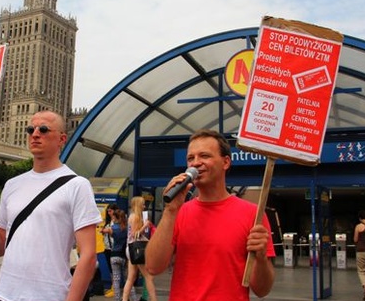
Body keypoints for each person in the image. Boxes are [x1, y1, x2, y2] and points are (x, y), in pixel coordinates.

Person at [0, 110, 102, 301]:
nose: (35, 134)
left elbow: (89, 256)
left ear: (62, 139)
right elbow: (0, 245)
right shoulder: (12, 185)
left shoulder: (77, 185)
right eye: (30, 129)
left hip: (50, 296)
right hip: (4, 295)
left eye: (43, 129)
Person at [145, 129, 275, 301]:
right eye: (191, 158)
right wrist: (170, 211)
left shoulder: (253, 214)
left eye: (204, 156)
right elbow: (153, 267)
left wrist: (261, 258)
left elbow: (262, 290)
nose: (196, 163)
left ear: (226, 162)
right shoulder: (178, 212)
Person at [122, 196, 157, 301]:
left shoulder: (131, 216)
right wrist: (145, 226)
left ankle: (124, 299)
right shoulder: (136, 217)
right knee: (148, 277)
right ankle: (154, 299)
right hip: (136, 249)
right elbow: (135, 234)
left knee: (131, 278)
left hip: (130, 248)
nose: (144, 206)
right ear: (138, 205)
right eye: (143, 204)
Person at [101, 209, 128, 301]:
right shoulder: (126, 228)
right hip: (124, 256)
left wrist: (105, 228)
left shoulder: (113, 228)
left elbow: (103, 230)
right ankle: (132, 298)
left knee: (116, 280)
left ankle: (117, 299)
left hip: (114, 255)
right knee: (128, 279)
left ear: (115, 218)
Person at [102, 202, 119, 297]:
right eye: (108, 211)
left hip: (114, 247)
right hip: (107, 247)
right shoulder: (108, 222)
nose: (109, 213)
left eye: (110, 211)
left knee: (115, 269)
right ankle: (113, 287)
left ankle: (115, 288)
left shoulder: (117, 222)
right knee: (110, 269)